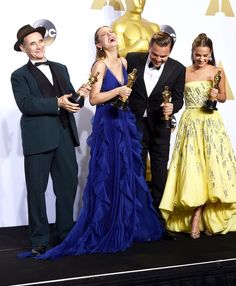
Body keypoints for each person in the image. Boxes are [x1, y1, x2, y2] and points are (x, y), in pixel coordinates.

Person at [34, 25, 164, 259]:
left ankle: (126, 222)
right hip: (108, 123)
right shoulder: (99, 65)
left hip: (124, 120)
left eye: (111, 32)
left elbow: (128, 89)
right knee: (109, 171)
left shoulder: (124, 63)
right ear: (99, 45)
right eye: (104, 35)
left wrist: (125, 93)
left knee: (126, 170)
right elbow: (94, 99)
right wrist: (118, 91)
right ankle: (107, 224)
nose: (110, 35)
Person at [11, 24, 90, 256]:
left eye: (40, 41)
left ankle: (64, 233)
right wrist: (57, 102)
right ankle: (39, 238)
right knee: (37, 190)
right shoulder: (18, 75)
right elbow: (26, 104)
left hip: (64, 134)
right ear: (23, 49)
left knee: (67, 187)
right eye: (32, 43)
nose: (38, 46)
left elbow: (71, 102)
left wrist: (79, 95)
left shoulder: (61, 68)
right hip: (37, 139)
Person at [159, 33, 236, 239]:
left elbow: (224, 97)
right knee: (193, 171)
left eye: (205, 55)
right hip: (190, 122)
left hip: (210, 123)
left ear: (210, 54)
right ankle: (195, 215)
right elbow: (176, 97)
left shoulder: (217, 71)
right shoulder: (183, 72)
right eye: (197, 55)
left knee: (211, 169)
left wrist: (215, 95)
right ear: (192, 53)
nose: (201, 59)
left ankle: (202, 215)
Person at [126, 32, 185, 237]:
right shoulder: (132, 59)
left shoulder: (178, 68)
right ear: (150, 47)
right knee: (137, 172)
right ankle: (136, 221)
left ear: (170, 52)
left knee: (160, 174)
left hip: (160, 127)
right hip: (135, 124)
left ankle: (159, 222)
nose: (159, 59)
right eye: (155, 55)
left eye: (163, 56)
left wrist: (172, 107)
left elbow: (178, 99)